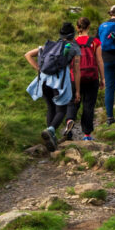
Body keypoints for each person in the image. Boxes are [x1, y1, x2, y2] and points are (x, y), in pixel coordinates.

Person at [26, 22, 79, 151]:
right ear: (73, 35)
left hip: (43, 81)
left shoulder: (50, 46)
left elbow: (27, 54)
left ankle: (50, 138)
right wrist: (77, 90)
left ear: (60, 34)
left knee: (50, 107)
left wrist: (39, 69)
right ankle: (51, 130)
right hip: (58, 83)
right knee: (62, 110)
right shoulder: (74, 48)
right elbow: (77, 70)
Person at [63, 17, 102, 141]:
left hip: (74, 77)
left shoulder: (71, 43)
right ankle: (86, 135)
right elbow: (100, 61)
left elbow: (66, 61)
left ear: (77, 28)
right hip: (92, 76)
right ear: (88, 27)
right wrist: (103, 78)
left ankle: (69, 121)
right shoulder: (95, 41)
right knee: (88, 105)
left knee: (73, 102)